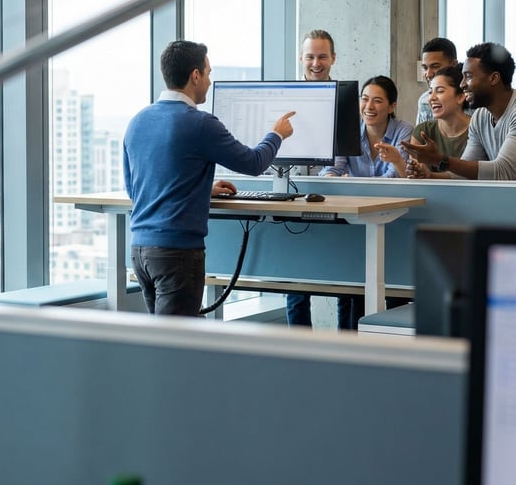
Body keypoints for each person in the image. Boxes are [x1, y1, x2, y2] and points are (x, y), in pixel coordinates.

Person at [123, 40, 295, 315]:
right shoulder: (200, 123)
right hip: (177, 253)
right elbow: (253, 163)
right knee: (176, 347)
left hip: (141, 251)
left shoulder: (137, 121)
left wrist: (202, 188)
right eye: (208, 73)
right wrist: (276, 134)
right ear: (195, 76)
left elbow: (136, 188)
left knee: (159, 343)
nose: (209, 81)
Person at [402, 42, 516, 229]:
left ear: (494, 78)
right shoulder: (480, 117)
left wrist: (441, 159)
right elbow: (463, 175)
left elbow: (502, 172)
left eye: (469, 77)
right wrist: (430, 176)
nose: (463, 84)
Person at [322, 75, 414, 328]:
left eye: (377, 101)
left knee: (393, 291)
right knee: (348, 289)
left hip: (394, 220)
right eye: (364, 99)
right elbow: (334, 168)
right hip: (356, 221)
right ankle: (347, 351)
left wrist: (353, 180)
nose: (369, 107)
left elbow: (395, 177)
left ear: (392, 106)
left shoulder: (404, 131)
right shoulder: (349, 129)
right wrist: (331, 177)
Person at [285, 29, 339, 328]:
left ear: (333, 58)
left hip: (335, 197)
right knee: (297, 287)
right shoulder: (285, 98)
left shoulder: (347, 100)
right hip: (294, 196)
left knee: (349, 287)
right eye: (310, 57)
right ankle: (299, 361)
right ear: (301, 58)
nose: (316, 63)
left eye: (322, 56)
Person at [378, 64, 469, 177]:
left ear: (460, 97)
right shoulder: (423, 131)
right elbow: (419, 174)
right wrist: (417, 171)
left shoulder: (477, 128)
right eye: (431, 92)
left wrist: (430, 175)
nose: (431, 98)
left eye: (440, 91)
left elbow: (470, 174)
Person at [415, 37, 458, 125]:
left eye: (435, 66)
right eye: (425, 68)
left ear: (454, 65)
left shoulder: (472, 100)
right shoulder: (424, 101)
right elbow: (419, 136)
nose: (428, 74)